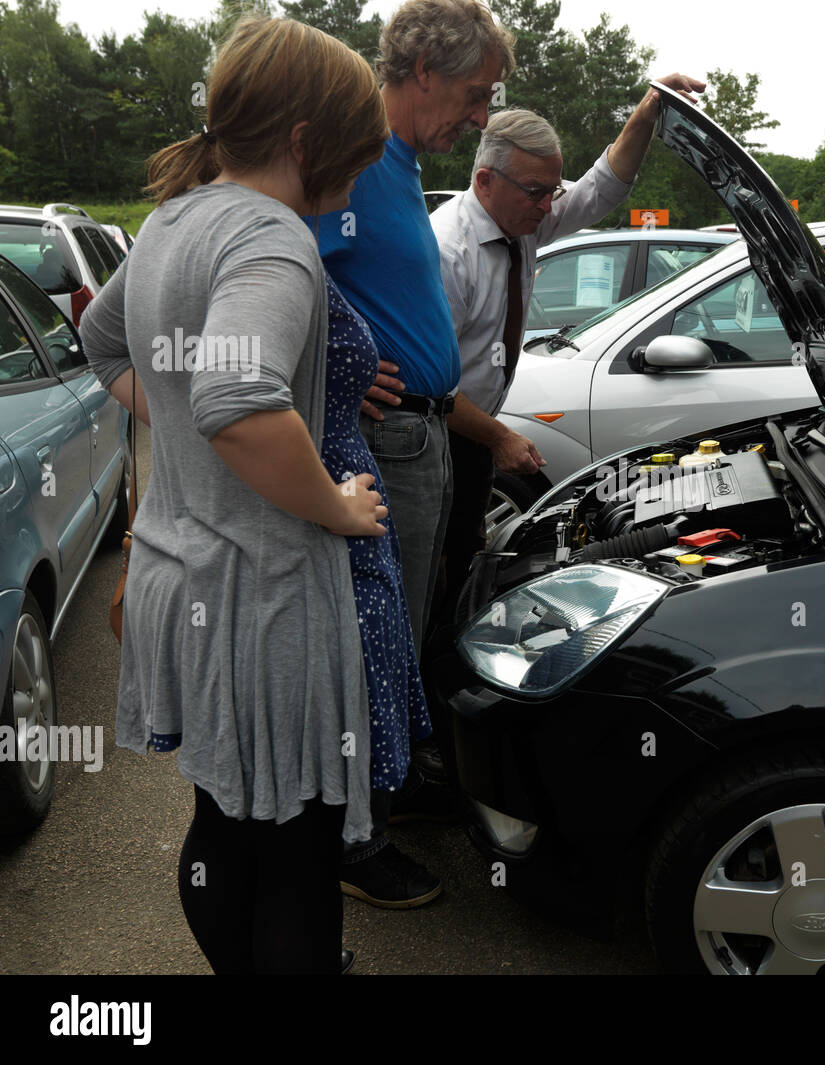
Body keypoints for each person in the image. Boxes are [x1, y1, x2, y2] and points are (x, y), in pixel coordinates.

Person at [79, 15, 390, 974]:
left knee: (225, 824)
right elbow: (239, 399)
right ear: (305, 141)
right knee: (296, 854)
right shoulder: (272, 238)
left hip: (188, 581)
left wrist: (178, 426)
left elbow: (106, 345)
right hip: (264, 602)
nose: (360, 175)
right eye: (356, 151)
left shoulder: (173, 219)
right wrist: (336, 508)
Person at [305, 0, 516, 909]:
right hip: (386, 441)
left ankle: (384, 793)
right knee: (370, 643)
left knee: (400, 633)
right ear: (422, 71)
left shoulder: (395, 167)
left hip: (423, 431)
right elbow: (281, 272)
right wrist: (328, 377)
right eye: (474, 95)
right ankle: (356, 842)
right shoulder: (350, 163)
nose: (479, 116)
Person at [429, 83, 704, 653]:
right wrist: (500, 437)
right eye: (537, 192)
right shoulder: (447, 252)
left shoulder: (522, 219)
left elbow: (599, 190)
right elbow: (431, 386)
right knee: (436, 571)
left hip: (469, 435)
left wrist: (646, 114)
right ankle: (436, 696)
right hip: (438, 436)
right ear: (485, 181)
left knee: (463, 558)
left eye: (552, 190)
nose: (549, 206)